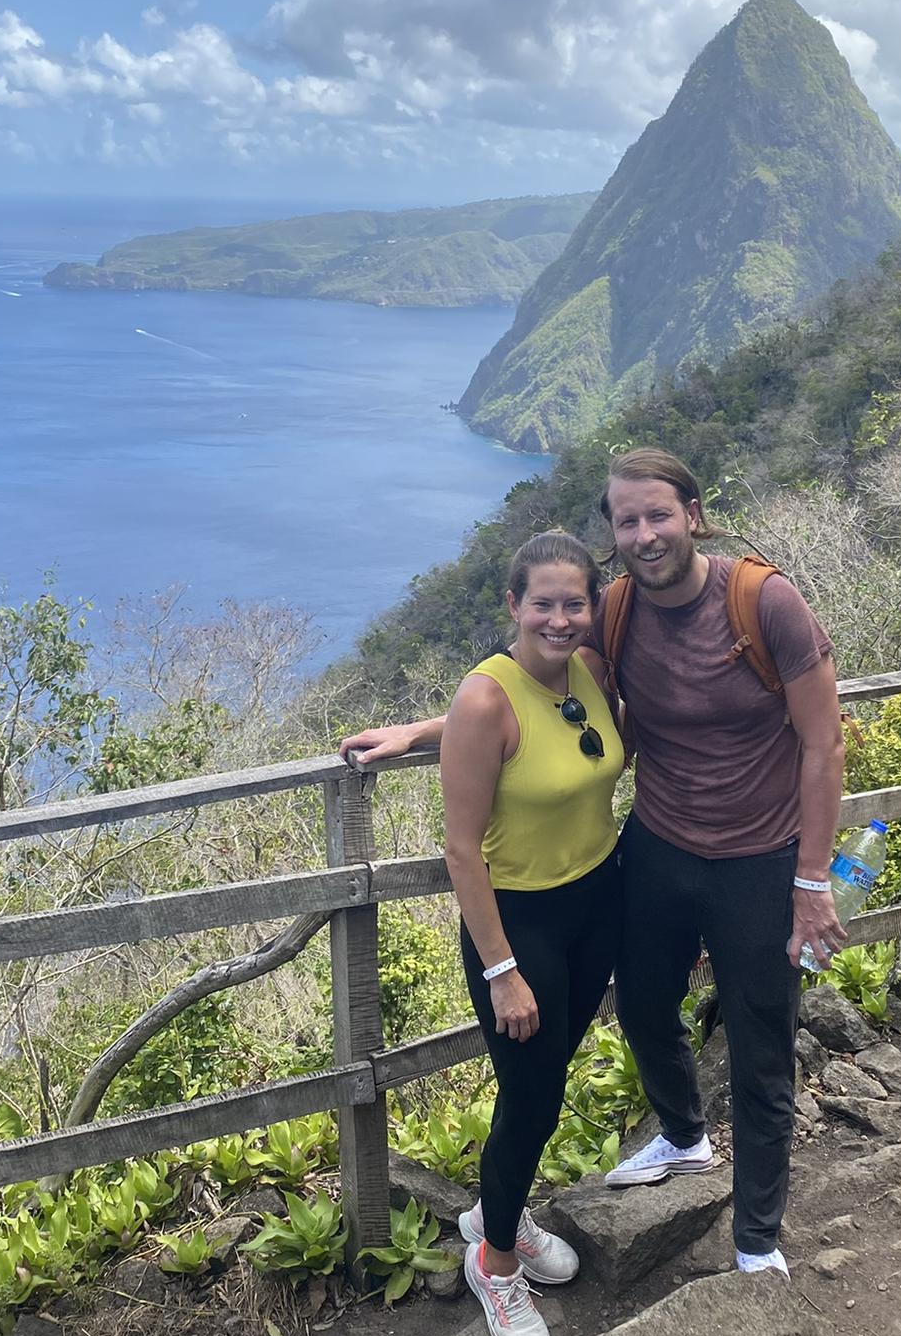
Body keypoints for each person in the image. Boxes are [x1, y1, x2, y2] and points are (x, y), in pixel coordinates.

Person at [341, 449, 845, 1281]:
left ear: (693, 513)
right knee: (644, 1007)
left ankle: (757, 1242)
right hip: (654, 852)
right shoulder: (613, 612)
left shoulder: (765, 601)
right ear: (611, 534)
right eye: (626, 520)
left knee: (761, 1048)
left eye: (658, 515)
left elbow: (823, 742)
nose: (645, 535)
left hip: (761, 857)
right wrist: (423, 731)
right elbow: (529, 686)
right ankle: (684, 1137)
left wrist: (812, 881)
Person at [435, 530, 624, 1336]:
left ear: (592, 606)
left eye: (573, 603)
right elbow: (461, 849)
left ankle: (493, 1211)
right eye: (542, 603)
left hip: (597, 905)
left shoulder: (592, 668)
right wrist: (504, 972)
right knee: (534, 1099)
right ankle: (495, 1259)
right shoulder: (486, 697)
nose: (559, 618)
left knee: (546, 1082)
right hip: (519, 926)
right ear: (513, 604)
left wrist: (416, 731)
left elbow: (557, 738)